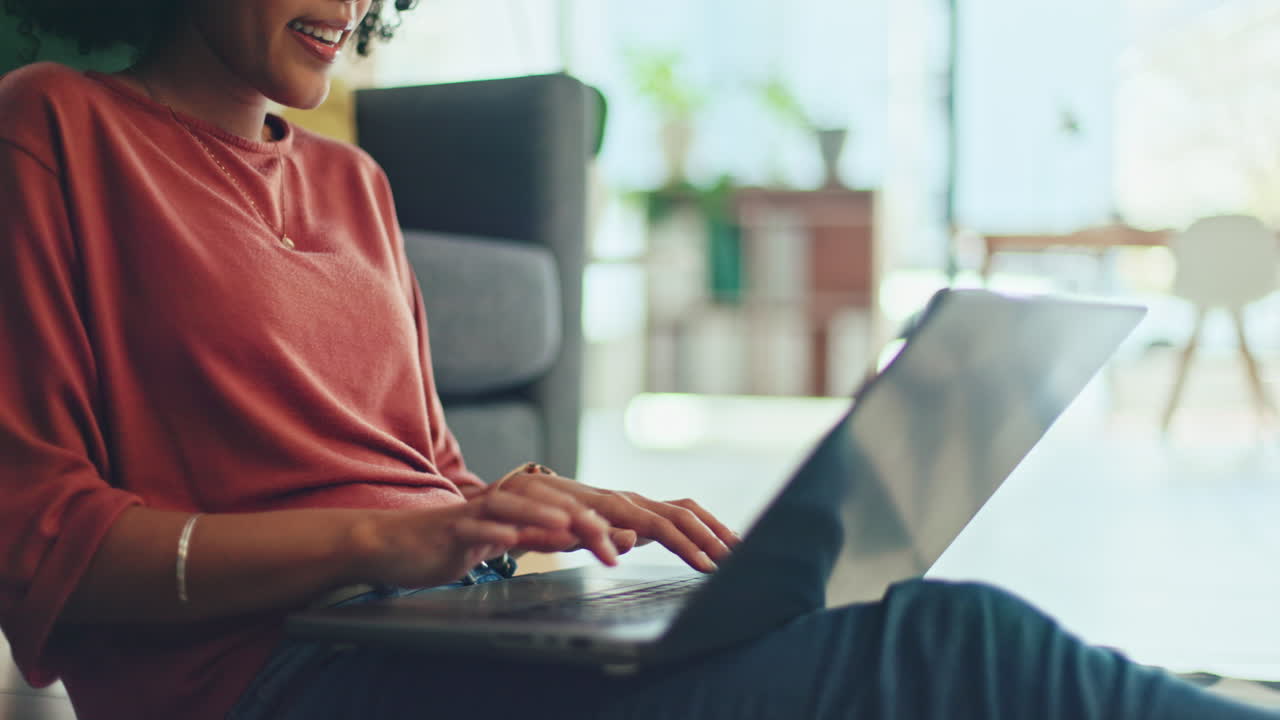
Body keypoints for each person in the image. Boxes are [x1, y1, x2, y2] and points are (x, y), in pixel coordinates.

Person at [0, 2, 1274, 719]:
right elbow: (37, 543)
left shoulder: (355, 183)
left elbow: (423, 479)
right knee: (958, 652)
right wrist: (380, 542)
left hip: (439, 637)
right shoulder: (53, 127)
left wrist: (525, 513)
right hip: (265, 683)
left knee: (878, 631)